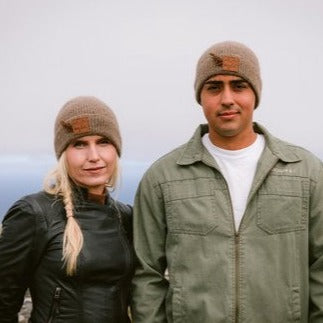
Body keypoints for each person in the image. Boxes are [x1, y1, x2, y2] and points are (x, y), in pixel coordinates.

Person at [131, 41, 323, 322]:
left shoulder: (306, 172)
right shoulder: (163, 178)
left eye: (239, 86)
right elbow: (146, 275)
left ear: (255, 94)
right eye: (214, 87)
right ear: (200, 97)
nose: (227, 98)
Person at [0, 96, 134, 322]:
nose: (94, 156)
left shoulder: (125, 217)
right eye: (79, 144)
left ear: (116, 149)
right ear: (63, 154)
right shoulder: (33, 213)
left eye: (103, 142)